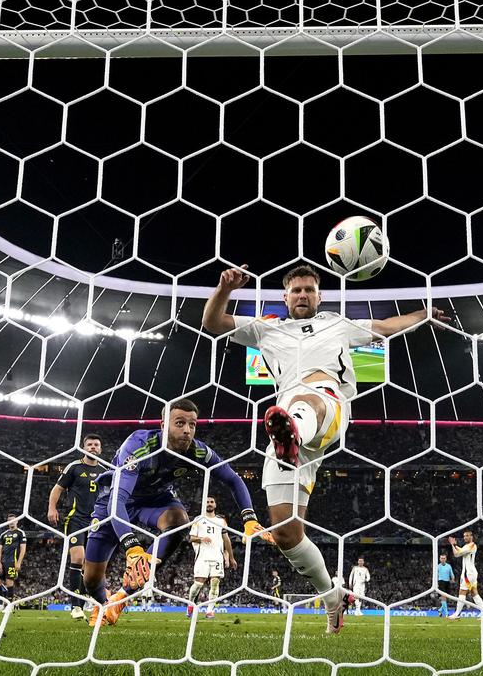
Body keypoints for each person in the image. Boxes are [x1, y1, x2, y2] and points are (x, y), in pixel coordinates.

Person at [203, 262, 447, 634]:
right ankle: (332, 596)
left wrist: (424, 314)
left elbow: (384, 327)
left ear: (320, 295)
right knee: (286, 532)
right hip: (287, 431)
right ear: (284, 296)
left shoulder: (337, 323)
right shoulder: (267, 328)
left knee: (308, 394)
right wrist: (225, 288)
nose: (302, 295)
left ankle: (291, 432)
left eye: (309, 290)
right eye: (296, 290)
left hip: (326, 409)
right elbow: (213, 323)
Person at [82, 398, 272, 627]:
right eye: (180, 423)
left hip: (156, 500)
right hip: (114, 502)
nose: (187, 430)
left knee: (180, 520)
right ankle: (106, 604)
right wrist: (132, 547)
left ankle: (121, 598)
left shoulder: (198, 451)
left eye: (192, 425)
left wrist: (249, 519)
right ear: (163, 425)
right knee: (91, 579)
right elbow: (118, 500)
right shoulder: (138, 445)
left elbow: (233, 479)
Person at [48, 434, 105, 619]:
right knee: (78, 558)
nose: (93, 448)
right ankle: (75, 606)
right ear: (83, 448)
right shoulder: (74, 467)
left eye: (96, 445)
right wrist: (52, 508)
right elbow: (57, 489)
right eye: (89, 445)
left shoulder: (105, 471)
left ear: (100, 449)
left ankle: (83, 601)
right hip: (76, 519)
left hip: (97, 522)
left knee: (90, 565)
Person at [186, 496, 235, 619]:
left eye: (212, 502)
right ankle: (191, 604)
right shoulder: (198, 519)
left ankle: (210, 610)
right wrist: (202, 539)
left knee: (215, 583)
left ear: (215, 505)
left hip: (217, 557)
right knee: (198, 584)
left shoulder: (221, 521)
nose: (209, 504)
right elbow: (190, 538)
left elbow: (226, 539)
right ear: (204, 505)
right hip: (202, 556)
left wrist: (230, 556)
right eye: (207, 502)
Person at [0, 512, 27, 613]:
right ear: (7, 522)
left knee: (9, 582)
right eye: (9, 520)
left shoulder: (20, 533)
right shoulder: (3, 534)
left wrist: (19, 562)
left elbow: (23, 549)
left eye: (13, 520)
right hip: (3, 562)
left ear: (17, 521)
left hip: (12, 561)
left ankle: (10, 605)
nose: (11, 522)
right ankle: (0, 604)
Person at [446, 530, 483, 619]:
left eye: (467, 536)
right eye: (464, 536)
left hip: (468, 574)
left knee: (462, 592)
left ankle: (456, 614)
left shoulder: (471, 545)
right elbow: (457, 554)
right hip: (469, 573)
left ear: (471, 537)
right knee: (474, 593)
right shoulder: (466, 546)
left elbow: (457, 553)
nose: (465, 537)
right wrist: (454, 545)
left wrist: (454, 544)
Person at [436, 553, 455, 618]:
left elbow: (451, 573)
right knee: (443, 597)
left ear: (446, 559)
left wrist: (453, 579)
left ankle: (440, 610)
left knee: (446, 598)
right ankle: (446, 613)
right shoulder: (438, 566)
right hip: (441, 582)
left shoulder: (449, 566)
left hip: (447, 582)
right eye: (441, 558)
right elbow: (435, 575)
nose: (443, 559)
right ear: (439, 559)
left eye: (444, 558)